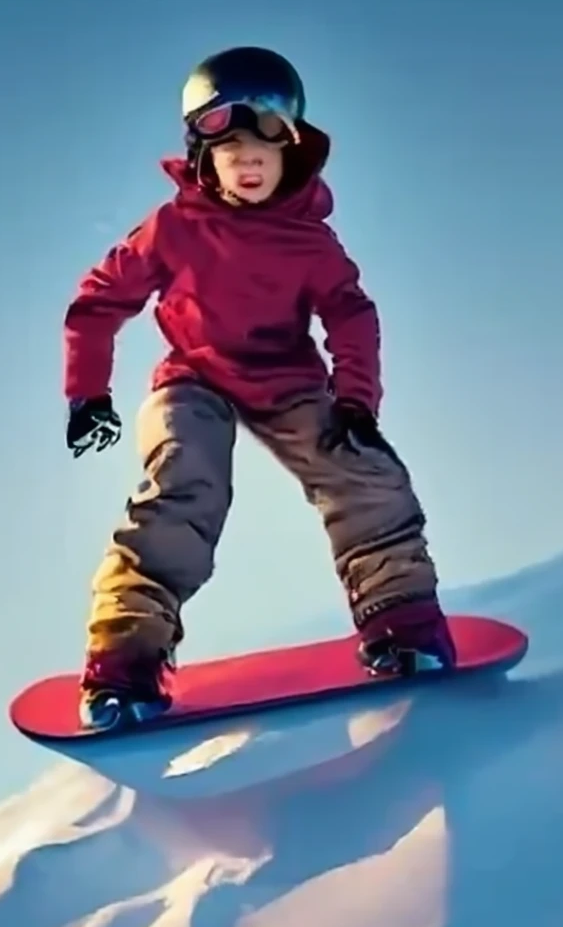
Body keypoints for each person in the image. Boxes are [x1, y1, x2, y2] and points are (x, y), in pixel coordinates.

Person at [62, 46, 457, 731]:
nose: (248, 163)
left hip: (287, 380)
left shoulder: (309, 241)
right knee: (183, 483)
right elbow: (99, 300)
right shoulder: (173, 229)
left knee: (363, 471)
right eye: (231, 150)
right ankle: (123, 661)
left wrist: (357, 401)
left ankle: (402, 622)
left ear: (291, 151)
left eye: (264, 148)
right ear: (203, 156)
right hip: (193, 378)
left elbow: (351, 315)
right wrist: (88, 394)